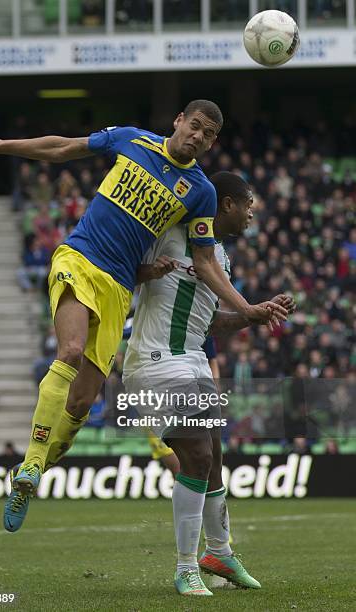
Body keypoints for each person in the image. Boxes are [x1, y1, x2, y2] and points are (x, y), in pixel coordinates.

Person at [0, 101, 287, 533]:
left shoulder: (201, 192)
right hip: (80, 257)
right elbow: (64, 148)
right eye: (195, 126)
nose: (197, 137)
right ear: (179, 121)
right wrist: (0, 146)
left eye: (207, 135)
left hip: (119, 287)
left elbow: (205, 261)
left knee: (80, 401)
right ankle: (33, 464)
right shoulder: (132, 140)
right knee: (71, 350)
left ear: (212, 143)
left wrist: (245, 307)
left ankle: (31, 474)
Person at [122, 172, 295, 596]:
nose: (253, 211)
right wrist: (147, 271)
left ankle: (219, 552)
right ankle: (185, 567)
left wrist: (255, 315)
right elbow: (126, 270)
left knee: (213, 456)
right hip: (156, 359)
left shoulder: (219, 257)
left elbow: (210, 322)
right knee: (197, 456)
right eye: (248, 202)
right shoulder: (169, 234)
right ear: (227, 204)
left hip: (193, 359)